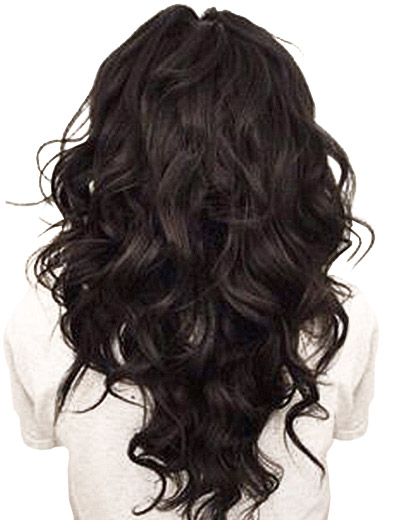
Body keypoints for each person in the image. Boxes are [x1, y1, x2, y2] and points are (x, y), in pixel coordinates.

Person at [3, 5, 379, 520]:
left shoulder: (47, 316)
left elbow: (44, 436)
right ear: (287, 152)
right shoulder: (339, 317)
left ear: (118, 149)